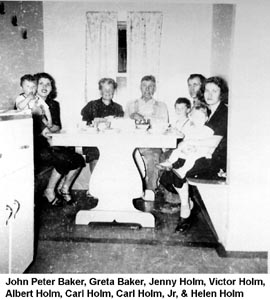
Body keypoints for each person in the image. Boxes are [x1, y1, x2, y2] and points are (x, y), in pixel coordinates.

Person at [159, 76, 228, 232]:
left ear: (221, 93)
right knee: (168, 174)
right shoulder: (203, 108)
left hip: (215, 158)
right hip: (197, 152)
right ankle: (187, 204)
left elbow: (213, 143)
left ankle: (185, 210)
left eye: (214, 91)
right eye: (207, 90)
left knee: (176, 172)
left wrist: (188, 144)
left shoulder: (223, 112)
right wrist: (186, 145)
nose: (209, 94)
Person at [33, 73, 85, 206]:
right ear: (35, 86)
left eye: (48, 84)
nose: (45, 87)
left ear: (52, 87)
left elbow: (57, 126)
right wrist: (47, 129)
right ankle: (49, 191)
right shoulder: (30, 103)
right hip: (36, 146)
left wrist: (49, 128)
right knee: (63, 158)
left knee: (78, 159)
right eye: (41, 83)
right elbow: (36, 129)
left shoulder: (54, 104)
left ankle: (65, 188)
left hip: (52, 142)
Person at [125, 75, 169, 194]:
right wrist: (132, 117)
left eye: (150, 86)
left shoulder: (161, 106)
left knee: (153, 157)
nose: (147, 89)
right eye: (144, 86)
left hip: (151, 144)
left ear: (154, 89)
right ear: (140, 87)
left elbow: (163, 126)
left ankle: (150, 190)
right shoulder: (131, 105)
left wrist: (144, 119)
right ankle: (129, 191)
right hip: (132, 144)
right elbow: (123, 127)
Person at [81, 78, 124, 197]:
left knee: (117, 153)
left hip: (111, 141)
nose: (107, 91)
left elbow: (120, 127)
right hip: (94, 141)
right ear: (100, 90)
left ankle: (109, 186)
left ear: (114, 90)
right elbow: (85, 123)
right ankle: (94, 186)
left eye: (110, 89)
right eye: (104, 89)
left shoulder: (118, 108)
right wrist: (95, 122)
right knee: (95, 152)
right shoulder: (92, 105)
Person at [158, 103, 216, 179]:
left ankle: (182, 171)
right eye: (196, 117)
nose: (198, 120)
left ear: (206, 118)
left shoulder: (208, 131)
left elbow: (210, 144)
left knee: (191, 158)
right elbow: (185, 141)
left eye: (201, 117)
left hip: (201, 152)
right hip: (188, 150)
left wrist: (207, 151)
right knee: (176, 151)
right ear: (191, 118)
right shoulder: (190, 129)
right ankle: (170, 162)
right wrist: (183, 148)